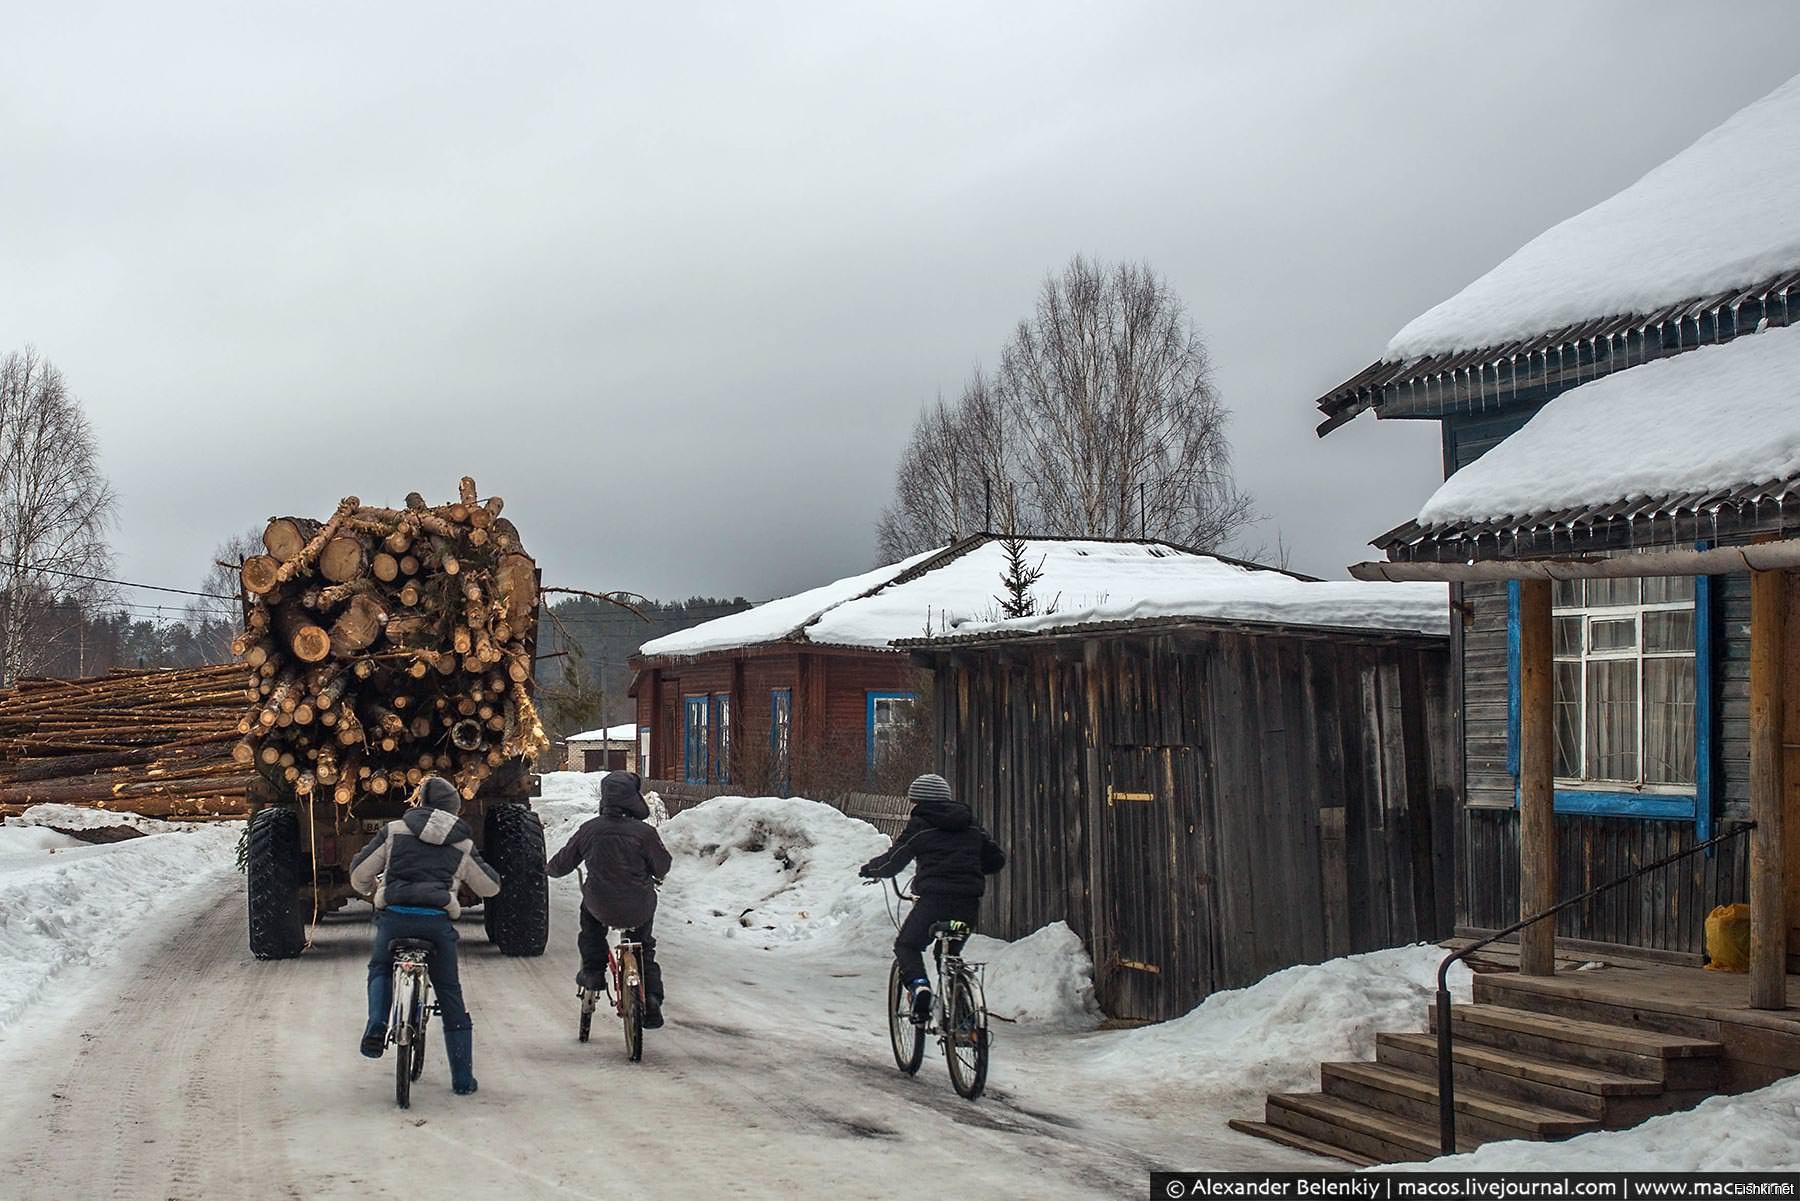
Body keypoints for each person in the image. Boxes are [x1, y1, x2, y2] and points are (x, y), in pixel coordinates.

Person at [349, 775, 501, 1095]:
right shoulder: (462, 843)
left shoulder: (394, 830)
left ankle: (377, 1021)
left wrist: (369, 890)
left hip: (395, 918)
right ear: (455, 811)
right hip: (436, 924)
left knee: (380, 968)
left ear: (421, 804)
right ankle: (462, 1080)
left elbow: (360, 872)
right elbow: (490, 886)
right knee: (449, 993)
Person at [858, 773, 1006, 1020]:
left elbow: (893, 862)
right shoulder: (971, 825)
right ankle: (961, 1015)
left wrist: (870, 869)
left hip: (933, 903)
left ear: (918, 801)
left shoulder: (920, 827)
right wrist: (971, 867)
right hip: (968, 904)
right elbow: (996, 859)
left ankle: (919, 987)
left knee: (907, 945)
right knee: (948, 954)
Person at [547, 770, 673, 1028]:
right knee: (644, 946)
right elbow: (662, 866)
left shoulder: (590, 830)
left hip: (599, 904)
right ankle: (650, 999)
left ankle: (593, 972)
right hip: (639, 905)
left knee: (591, 931)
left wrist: (547, 868)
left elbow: (562, 865)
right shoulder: (645, 833)